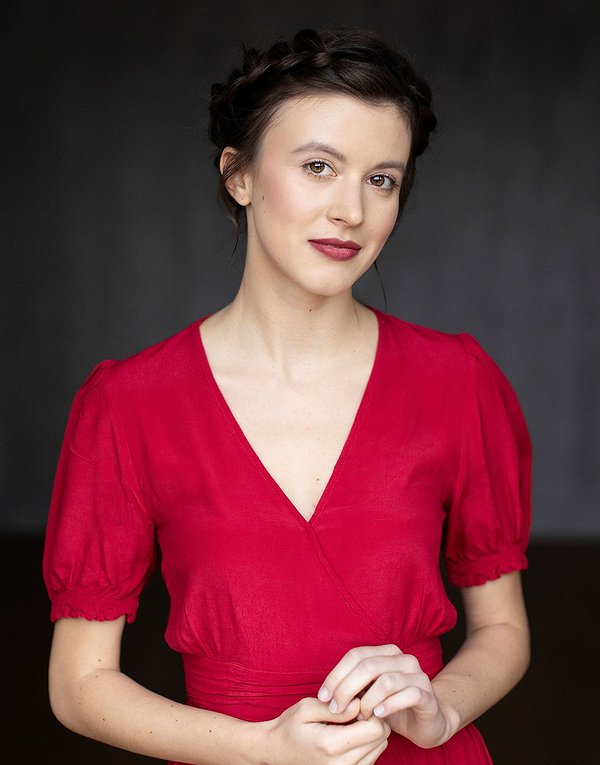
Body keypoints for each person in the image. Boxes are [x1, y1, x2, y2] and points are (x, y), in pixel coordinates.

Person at [43, 28, 531, 765]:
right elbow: (79, 684)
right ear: (238, 175)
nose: (352, 211)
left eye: (382, 179)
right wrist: (263, 747)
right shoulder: (128, 403)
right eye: (318, 166)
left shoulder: (458, 381)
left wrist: (442, 709)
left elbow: (503, 630)